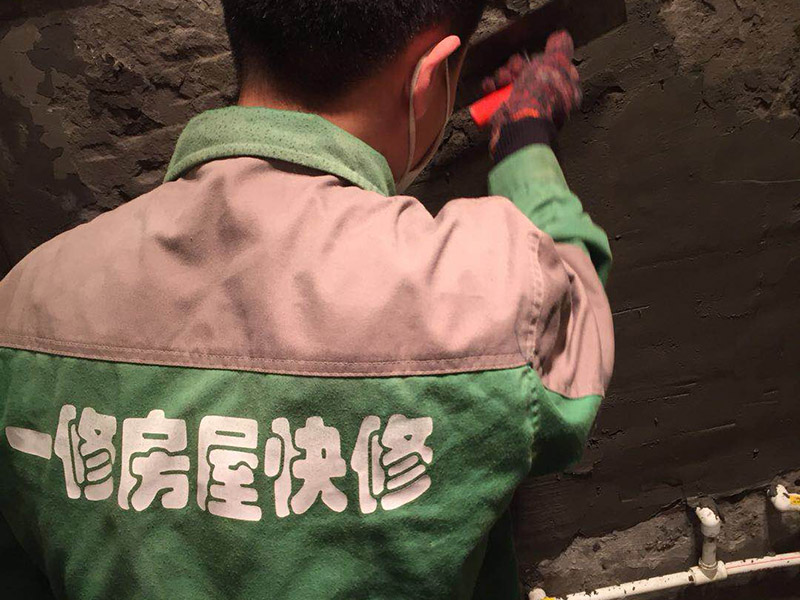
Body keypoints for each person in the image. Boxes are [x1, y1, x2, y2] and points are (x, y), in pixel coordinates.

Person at [0, 1, 614, 598]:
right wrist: (525, 141)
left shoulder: (23, 302)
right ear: (430, 75)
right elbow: (573, 323)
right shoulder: (492, 286)